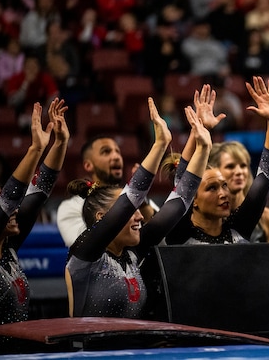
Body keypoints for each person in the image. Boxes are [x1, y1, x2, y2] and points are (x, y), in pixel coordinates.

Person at [65, 97, 211, 318]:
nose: (139, 216)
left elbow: (180, 201)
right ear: (102, 217)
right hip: (93, 353)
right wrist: (160, 144)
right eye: (129, 212)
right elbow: (130, 199)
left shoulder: (133, 253)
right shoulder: (86, 254)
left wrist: (204, 147)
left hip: (133, 351)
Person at [165, 78, 269, 245]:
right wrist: (198, 130)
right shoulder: (179, 232)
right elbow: (182, 183)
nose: (223, 194)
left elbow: (267, 177)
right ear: (193, 200)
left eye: (224, 185)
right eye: (212, 188)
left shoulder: (239, 227)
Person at [0, 99, 68, 325]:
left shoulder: (9, 250)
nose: (15, 209)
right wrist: (35, 149)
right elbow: (9, 199)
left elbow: (39, 191)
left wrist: (59, 143)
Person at [56, 135, 157, 248]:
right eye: (106, 152)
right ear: (88, 165)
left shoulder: (138, 199)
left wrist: (139, 196)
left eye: (118, 151)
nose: (116, 156)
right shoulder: (70, 207)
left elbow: (161, 237)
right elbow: (83, 246)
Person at [208, 140, 269, 243]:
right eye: (230, 166)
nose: (239, 172)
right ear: (214, 171)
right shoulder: (207, 219)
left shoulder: (267, 218)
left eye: (243, 166)